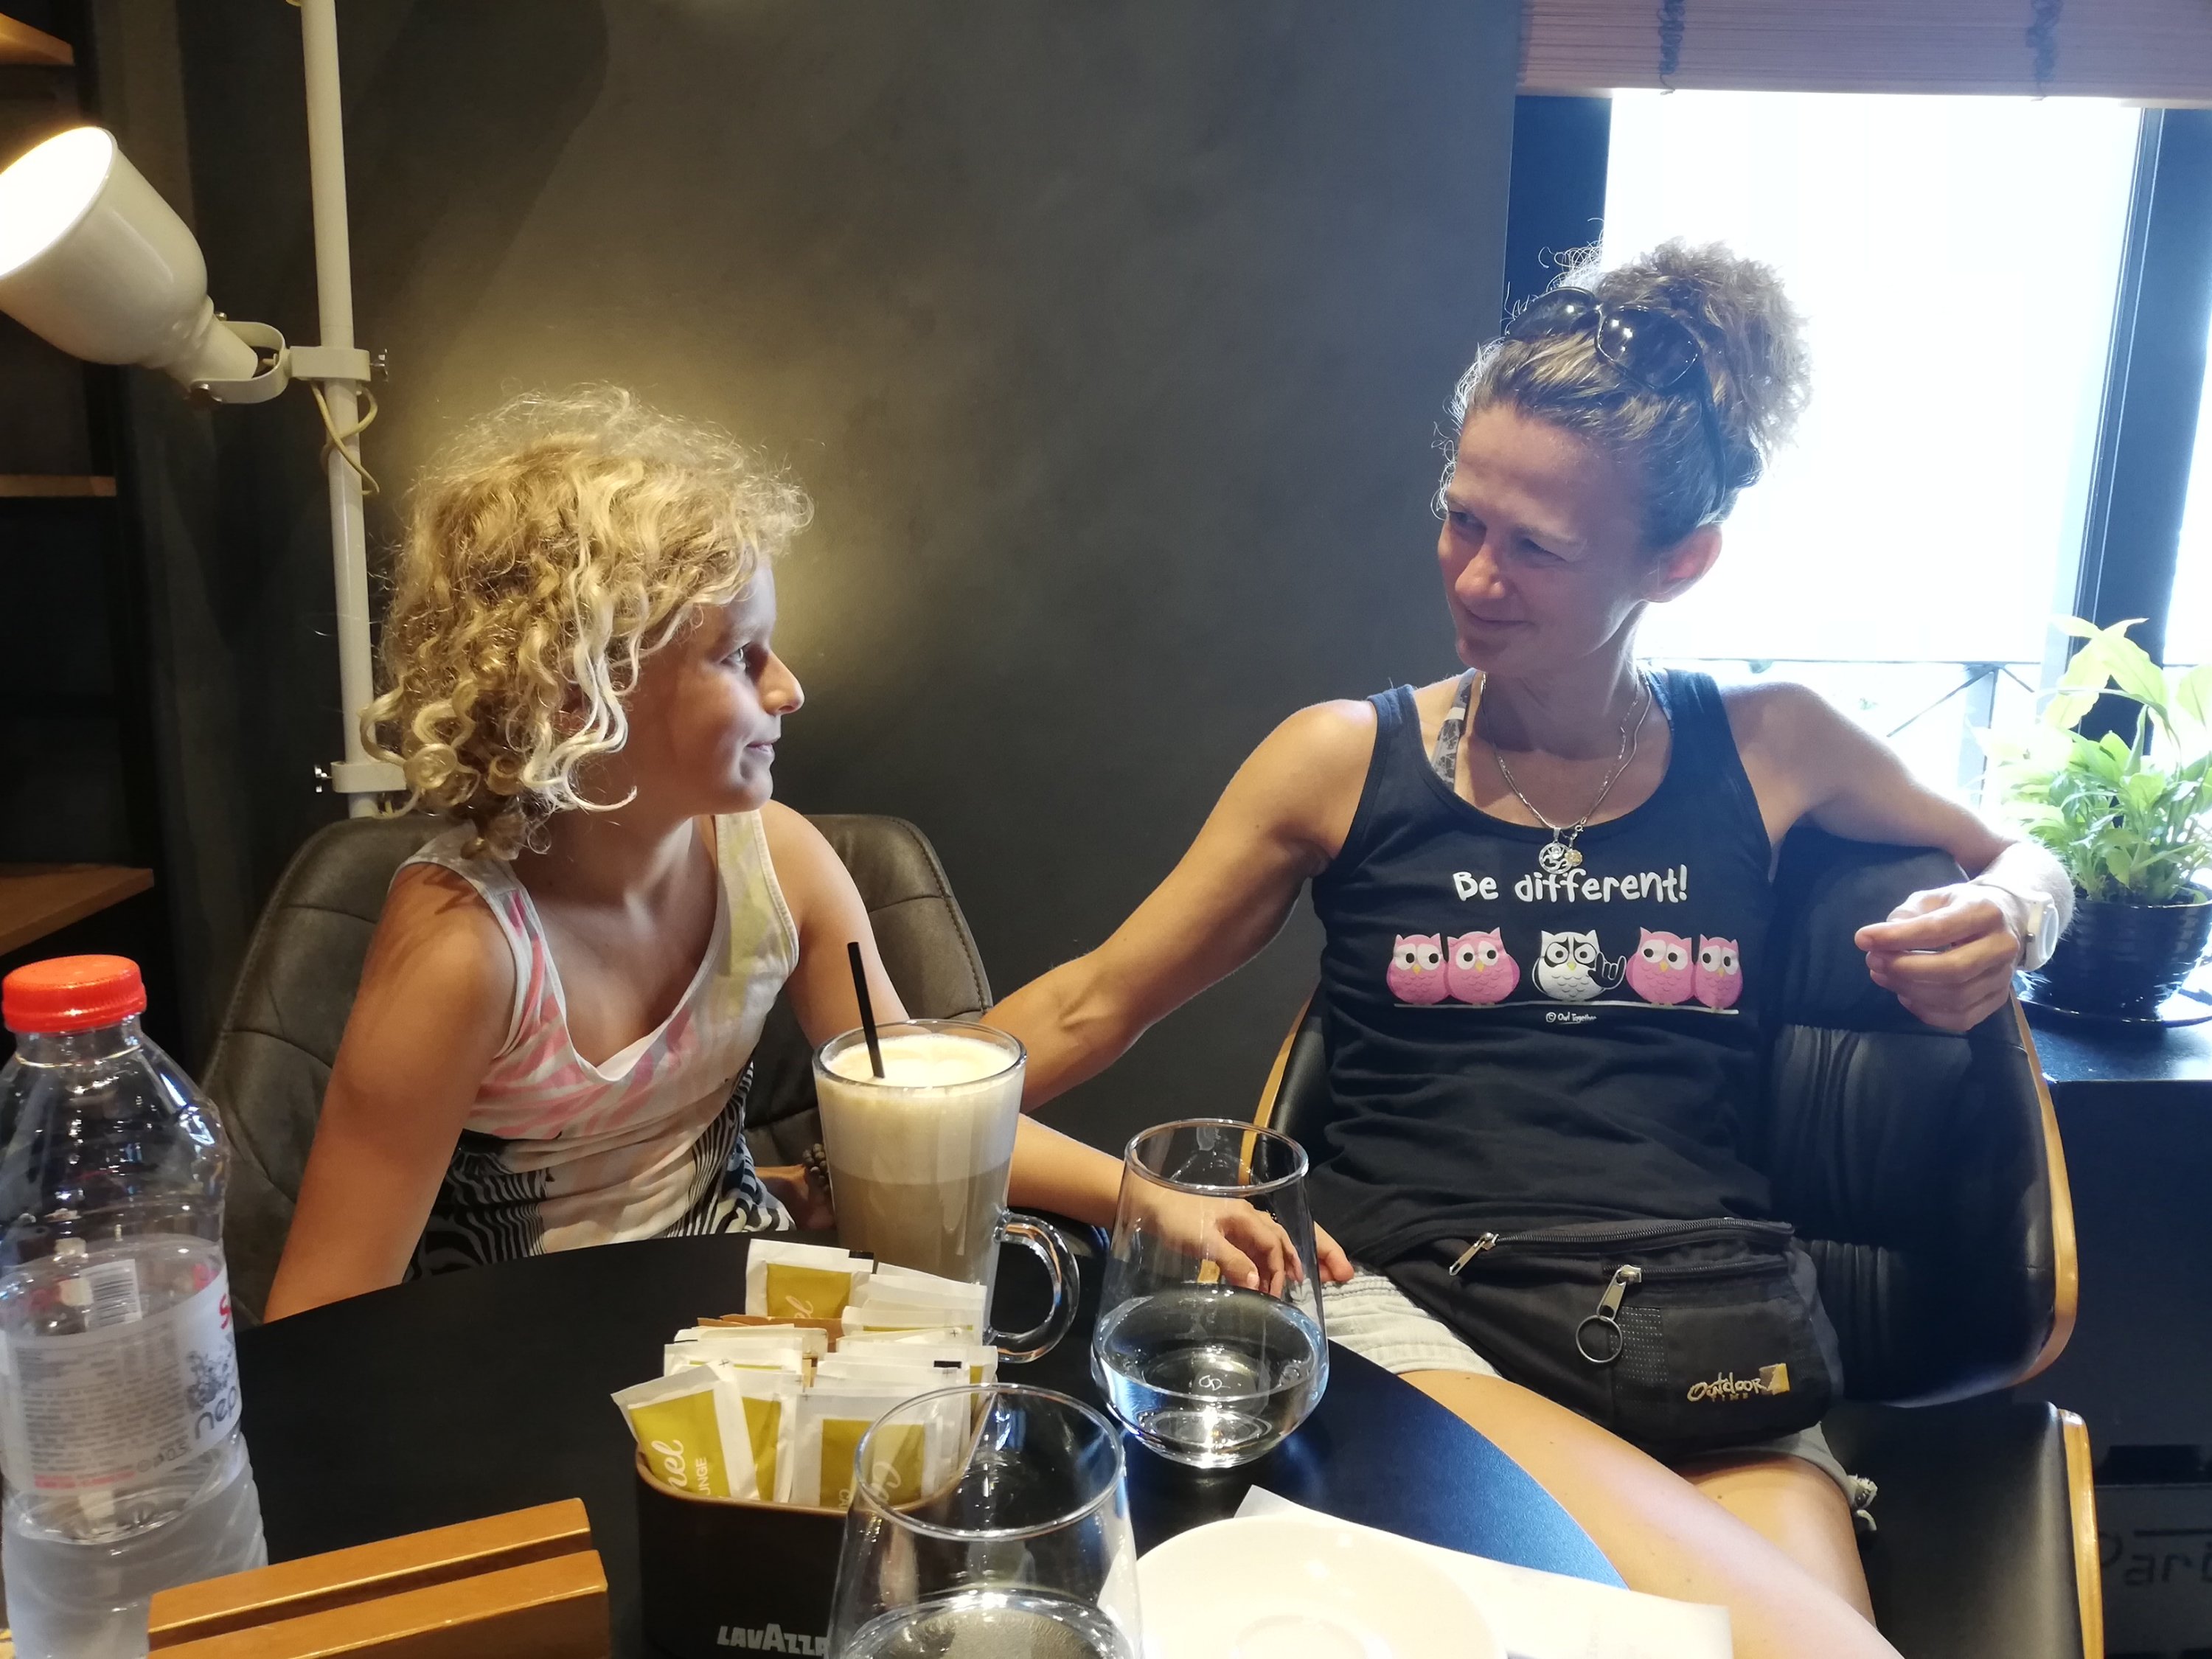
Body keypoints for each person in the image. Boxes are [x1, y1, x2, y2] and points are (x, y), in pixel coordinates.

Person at [981, 243, 2072, 1659]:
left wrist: (2017, 918)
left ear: (1679, 561)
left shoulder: (1775, 743)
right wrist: (902, 1101)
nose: (1477, 577)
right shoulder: (1339, 761)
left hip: (1718, 1348)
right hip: (1424, 1323)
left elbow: (2020, 852)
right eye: (1461, 518)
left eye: (1538, 548)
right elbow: (1087, 1005)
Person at [262, 389, 1152, 1317]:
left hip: (743, 1335)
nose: (789, 689)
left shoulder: (784, 868)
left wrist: (1146, 1201)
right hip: (517, 1358)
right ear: (578, 693)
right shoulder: (466, 951)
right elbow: (323, 1312)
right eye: (740, 655)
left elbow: (923, 1108)